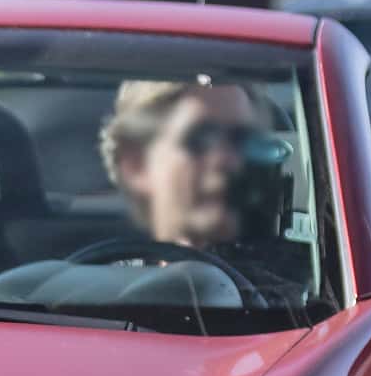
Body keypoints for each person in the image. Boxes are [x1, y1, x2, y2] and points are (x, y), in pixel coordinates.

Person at [94, 76, 312, 303]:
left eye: (243, 140)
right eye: (201, 139)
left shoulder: (288, 309)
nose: (229, 161)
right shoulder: (89, 291)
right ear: (136, 164)